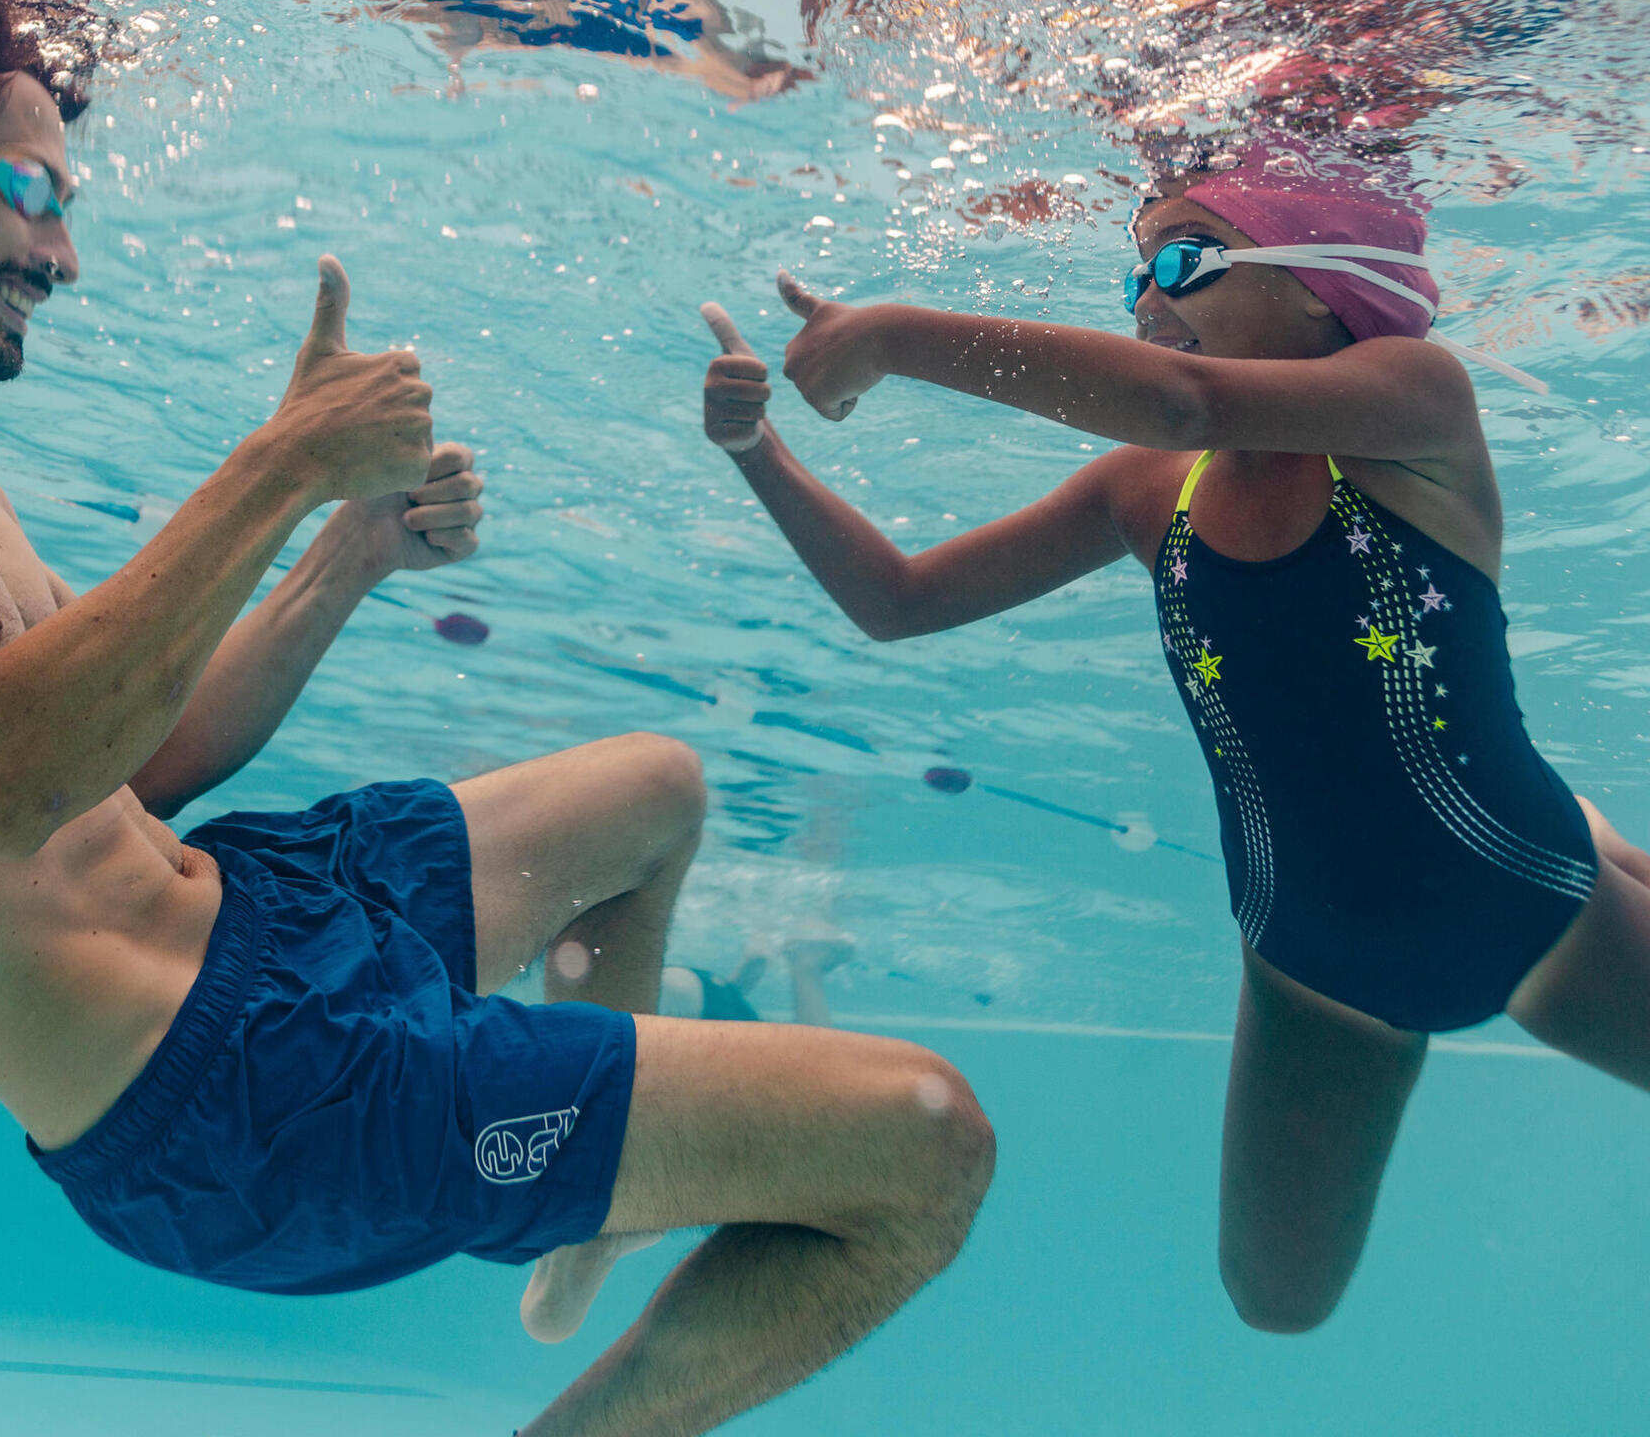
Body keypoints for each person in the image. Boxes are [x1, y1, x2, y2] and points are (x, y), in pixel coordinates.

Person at [0, 0, 992, 1437]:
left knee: (654, 792)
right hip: (233, 1100)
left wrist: (345, 552)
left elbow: (130, 765)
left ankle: (589, 1214)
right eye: (29, 193)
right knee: (926, 1145)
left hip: (256, 921)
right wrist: (281, 459)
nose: (62, 255)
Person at [701, 138, 1650, 1333]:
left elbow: (1175, 397)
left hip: (1528, 898)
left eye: (1183, 261)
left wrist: (893, 335)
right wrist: (755, 452)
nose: (1144, 300)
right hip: (1307, 969)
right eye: (1135, 274)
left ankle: (1584, 830)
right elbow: (897, 601)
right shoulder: (1147, 492)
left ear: (1318, 283)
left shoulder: (1413, 405)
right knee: (1275, 1299)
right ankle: (1587, 822)